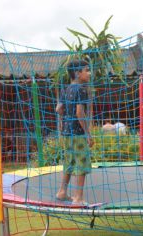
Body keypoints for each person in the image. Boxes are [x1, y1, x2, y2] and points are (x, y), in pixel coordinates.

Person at [55, 59, 94, 205]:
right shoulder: (81, 89)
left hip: (66, 132)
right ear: (78, 73)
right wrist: (88, 134)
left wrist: (66, 119)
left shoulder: (66, 88)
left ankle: (62, 192)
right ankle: (78, 198)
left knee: (68, 162)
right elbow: (79, 112)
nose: (89, 73)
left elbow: (59, 109)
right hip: (78, 133)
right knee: (82, 163)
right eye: (86, 70)